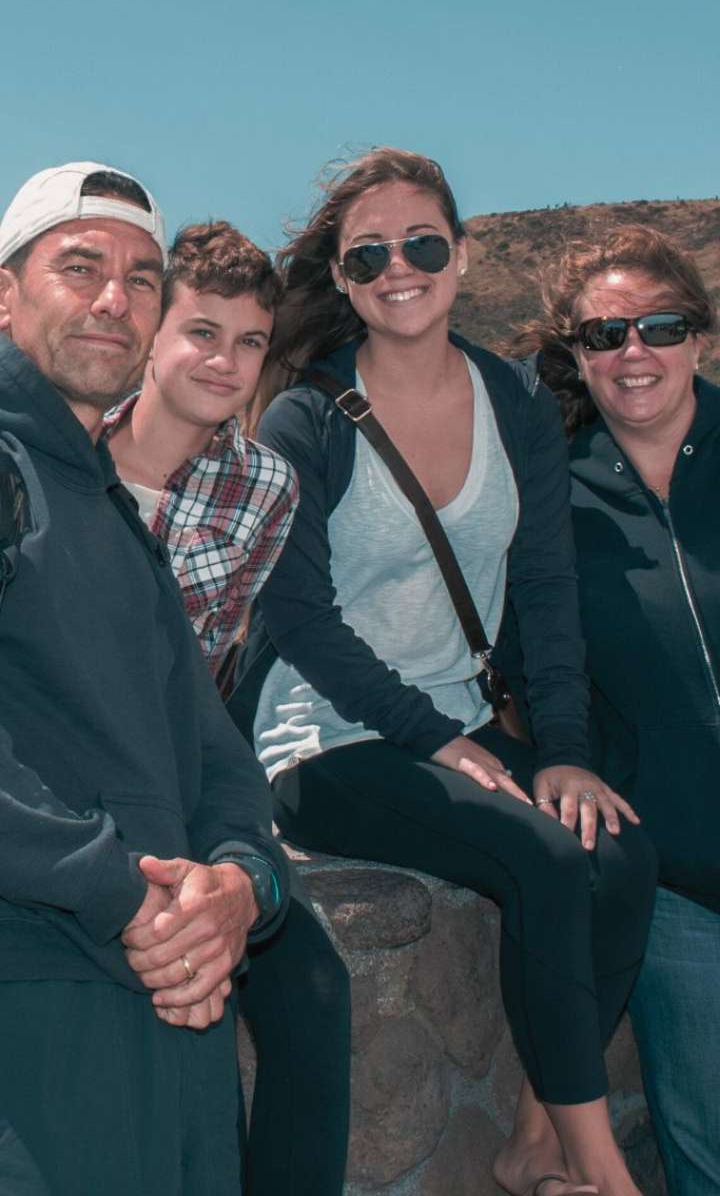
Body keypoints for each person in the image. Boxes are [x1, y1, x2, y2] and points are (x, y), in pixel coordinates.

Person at [237, 147, 658, 1196]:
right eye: (368, 254)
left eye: (422, 245)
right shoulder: (307, 416)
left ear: (462, 255)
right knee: (545, 858)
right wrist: (433, 736)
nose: (399, 268)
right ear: (343, 280)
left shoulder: (514, 400)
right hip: (326, 737)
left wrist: (563, 750)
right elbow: (297, 615)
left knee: (618, 852)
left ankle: (532, 1140)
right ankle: (602, 1170)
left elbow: (546, 587)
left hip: (458, 720)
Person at [0, 162, 289, 1196]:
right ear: (5, 294)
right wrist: (124, 894)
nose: (113, 300)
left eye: (140, 279)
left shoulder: (119, 518)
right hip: (37, 1009)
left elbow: (213, 750)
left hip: (175, 1010)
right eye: (80, 268)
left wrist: (242, 886)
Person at [106, 220, 351, 1196]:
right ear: (153, 332)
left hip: (178, 789)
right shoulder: (67, 450)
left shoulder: (264, 487)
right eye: (202, 333)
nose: (226, 362)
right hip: (63, 795)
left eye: (250, 342)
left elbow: (212, 673)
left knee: (314, 991)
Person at [513, 225, 720, 1196]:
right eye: (604, 334)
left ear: (698, 336)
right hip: (679, 891)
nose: (634, 351)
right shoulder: (553, 499)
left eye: (659, 326)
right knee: (705, 1150)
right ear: (579, 354)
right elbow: (538, 669)